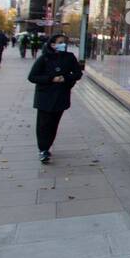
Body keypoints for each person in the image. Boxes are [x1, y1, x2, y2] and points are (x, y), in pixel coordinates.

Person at [28, 33, 82, 163]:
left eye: (64, 42)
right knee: (43, 125)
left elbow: (77, 73)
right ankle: (43, 149)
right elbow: (32, 77)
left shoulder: (69, 57)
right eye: (60, 42)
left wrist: (66, 78)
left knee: (53, 124)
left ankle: (48, 145)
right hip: (44, 96)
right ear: (52, 44)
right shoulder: (44, 58)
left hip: (61, 96)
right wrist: (51, 79)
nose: (63, 44)